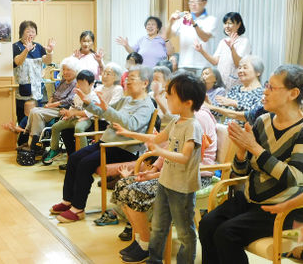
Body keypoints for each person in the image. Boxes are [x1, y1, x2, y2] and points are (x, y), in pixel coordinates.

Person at [199, 64, 303, 264]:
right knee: (207, 224)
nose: (265, 92)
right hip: (249, 200)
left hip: (281, 207)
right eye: (266, 85)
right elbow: (240, 173)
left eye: (272, 87)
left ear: (293, 93)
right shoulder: (262, 121)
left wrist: (254, 148)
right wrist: (241, 151)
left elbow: (294, 178)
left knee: (226, 234)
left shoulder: (300, 130)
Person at [108, 72, 206, 263]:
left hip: (182, 189)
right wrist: (128, 133)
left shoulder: (193, 126)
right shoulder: (177, 122)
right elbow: (156, 139)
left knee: (186, 232)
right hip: (166, 182)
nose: (167, 96)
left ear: (188, 102)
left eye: (171, 93)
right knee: (160, 227)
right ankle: (154, 260)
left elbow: (184, 157)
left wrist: (159, 152)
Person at [49, 65, 155, 223]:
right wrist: (89, 103)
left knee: (85, 164)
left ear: (145, 83)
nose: (127, 82)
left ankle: (78, 209)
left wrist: (109, 112)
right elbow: (105, 112)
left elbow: (131, 125)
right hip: (107, 143)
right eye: (128, 78)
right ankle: (68, 201)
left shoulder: (146, 105)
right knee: (74, 158)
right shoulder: (126, 100)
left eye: (132, 79)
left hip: (124, 148)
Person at [58, 62, 124, 170]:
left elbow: (109, 108)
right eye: (104, 72)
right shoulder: (98, 88)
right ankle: (73, 160)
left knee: (79, 129)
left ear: (116, 76)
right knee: (66, 132)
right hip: (92, 118)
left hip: (104, 121)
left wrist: (87, 114)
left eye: (109, 73)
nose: (105, 75)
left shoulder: (118, 89)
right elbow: (87, 104)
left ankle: (82, 160)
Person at [21, 57, 78, 153]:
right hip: (53, 107)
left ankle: (33, 140)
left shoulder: (76, 83)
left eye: (68, 69)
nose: (65, 72)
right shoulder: (63, 80)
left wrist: (51, 105)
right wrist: (49, 103)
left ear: (75, 70)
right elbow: (54, 94)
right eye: (63, 69)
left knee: (37, 113)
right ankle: (35, 143)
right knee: (33, 110)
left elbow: (69, 100)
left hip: (63, 110)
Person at [42, 70, 99, 165]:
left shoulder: (93, 96)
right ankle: (55, 149)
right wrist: (68, 114)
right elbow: (73, 107)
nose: (79, 86)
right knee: (56, 126)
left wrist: (74, 113)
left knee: (79, 128)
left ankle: (83, 154)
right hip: (74, 118)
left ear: (91, 84)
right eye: (78, 83)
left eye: (82, 83)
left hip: (87, 120)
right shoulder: (77, 95)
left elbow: (90, 112)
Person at [166, 0, 217, 74]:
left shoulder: (211, 20)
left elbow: (205, 38)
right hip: (184, 64)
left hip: (202, 66)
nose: (193, 4)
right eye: (191, 2)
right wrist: (170, 22)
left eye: (197, 1)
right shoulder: (182, 19)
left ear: (204, 2)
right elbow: (167, 36)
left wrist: (194, 23)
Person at [13, 20, 56, 122]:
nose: (31, 34)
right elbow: (17, 62)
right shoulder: (16, 47)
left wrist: (50, 52)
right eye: (28, 31)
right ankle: (24, 137)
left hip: (37, 88)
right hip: (23, 89)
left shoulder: (39, 47)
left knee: (37, 118)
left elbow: (47, 60)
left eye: (33, 31)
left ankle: (35, 137)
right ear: (21, 33)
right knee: (23, 119)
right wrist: (26, 50)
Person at [195, 12, 250, 90]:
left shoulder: (244, 41)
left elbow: (238, 63)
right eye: (225, 23)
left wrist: (232, 49)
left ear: (238, 24)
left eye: (230, 23)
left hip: (235, 83)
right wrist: (201, 51)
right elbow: (215, 61)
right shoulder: (223, 41)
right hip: (221, 82)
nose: (227, 26)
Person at [213, 55, 264, 126]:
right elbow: (219, 111)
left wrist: (235, 103)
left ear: (258, 72)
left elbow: (255, 114)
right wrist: (208, 104)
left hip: (246, 134)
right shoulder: (235, 89)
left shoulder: (262, 92)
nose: (240, 70)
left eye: (245, 67)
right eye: (239, 68)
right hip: (226, 131)